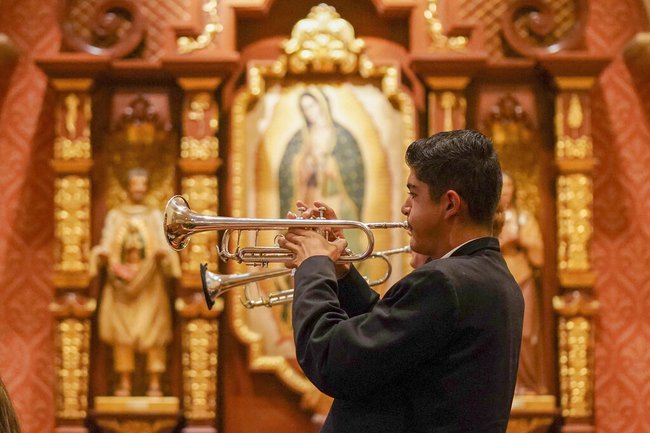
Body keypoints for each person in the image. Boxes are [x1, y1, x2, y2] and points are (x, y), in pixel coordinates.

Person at [278, 129, 524, 433]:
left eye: (413, 193)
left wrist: (313, 265)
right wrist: (342, 274)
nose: (405, 207)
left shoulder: (443, 282)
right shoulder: (491, 276)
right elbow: (390, 341)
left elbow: (330, 360)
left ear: (450, 204)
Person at [91, 168, 180, 397]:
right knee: (122, 335)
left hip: (150, 285)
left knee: (154, 334)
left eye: (143, 183)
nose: (139, 187)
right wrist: (104, 256)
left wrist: (163, 256)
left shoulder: (154, 215)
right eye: (135, 183)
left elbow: (165, 244)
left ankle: (155, 382)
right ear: (128, 185)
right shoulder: (116, 215)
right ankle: (124, 382)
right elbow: (108, 242)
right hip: (121, 285)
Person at [498, 172, 547, 395]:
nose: (506, 191)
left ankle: (526, 385)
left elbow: (538, 256)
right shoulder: (484, 219)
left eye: (509, 186)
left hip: (522, 278)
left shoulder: (524, 218)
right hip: (496, 279)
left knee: (526, 335)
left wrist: (522, 240)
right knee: (499, 333)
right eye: (502, 186)